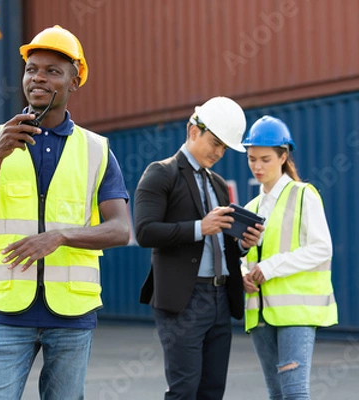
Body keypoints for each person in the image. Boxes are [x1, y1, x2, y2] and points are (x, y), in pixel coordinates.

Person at [0, 25, 130, 400]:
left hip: (71, 315)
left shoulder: (98, 150)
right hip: (7, 312)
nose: (38, 77)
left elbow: (120, 230)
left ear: (74, 81)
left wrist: (60, 236)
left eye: (53, 70)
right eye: (32, 68)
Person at [134, 97, 263, 399]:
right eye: (215, 143)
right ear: (193, 130)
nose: (219, 153)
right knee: (184, 390)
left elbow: (221, 242)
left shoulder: (218, 184)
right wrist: (199, 228)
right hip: (185, 300)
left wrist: (242, 246)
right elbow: (144, 231)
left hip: (220, 296)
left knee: (212, 390)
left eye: (224, 148)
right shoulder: (160, 173)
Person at [241, 116, 338, 399]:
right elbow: (247, 257)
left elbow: (322, 248)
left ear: (284, 156)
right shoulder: (251, 206)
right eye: (252, 159)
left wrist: (270, 268)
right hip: (259, 312)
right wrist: (243, 274)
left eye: (265, 159)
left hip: (296, 311)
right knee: (276, 393)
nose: (257, 166)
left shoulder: (303, 195)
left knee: (294, 393)